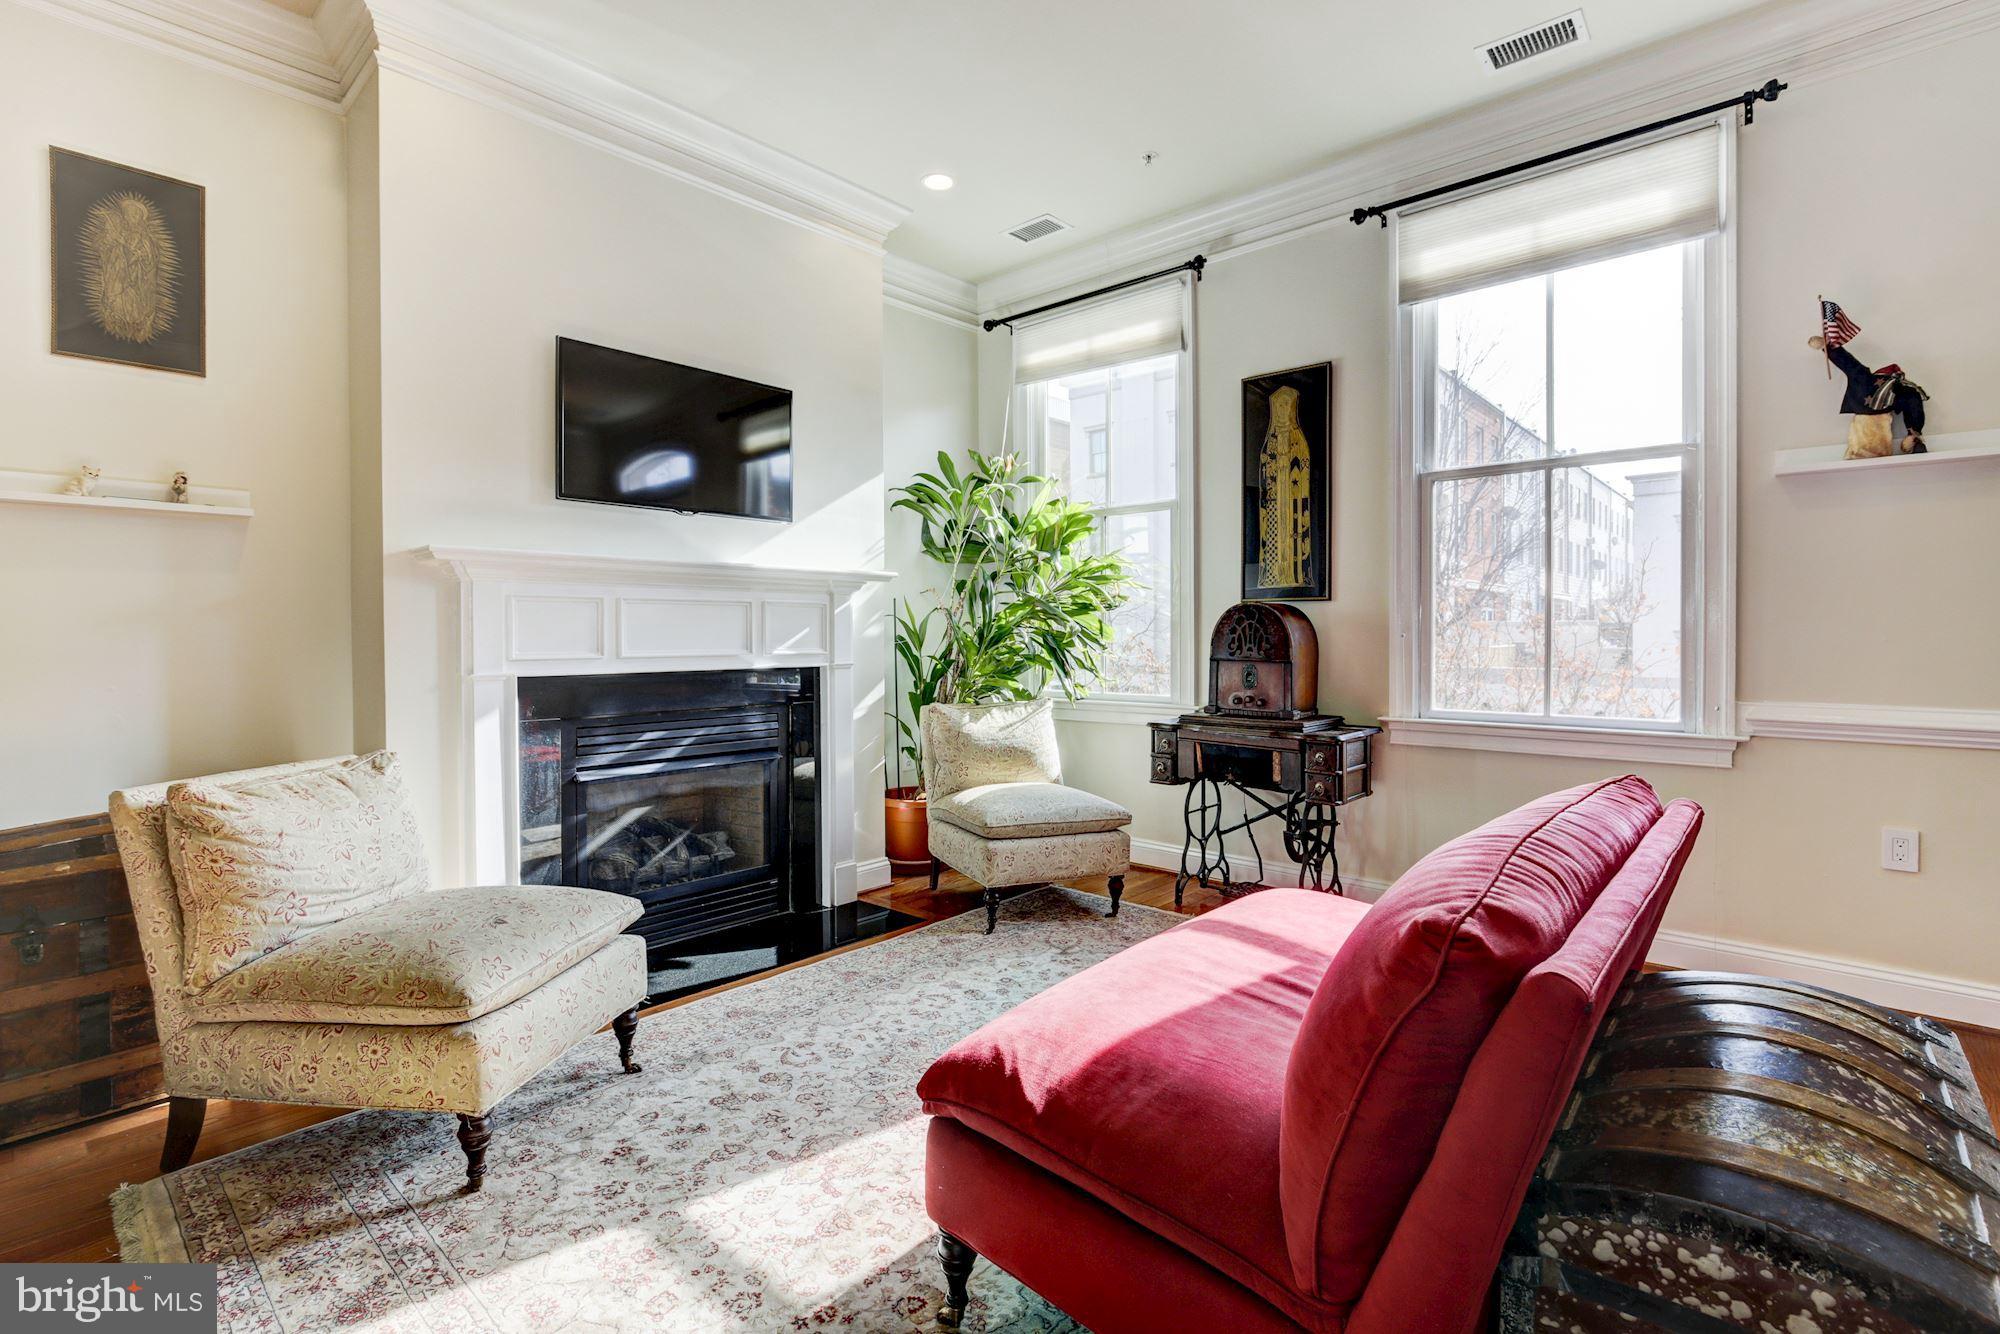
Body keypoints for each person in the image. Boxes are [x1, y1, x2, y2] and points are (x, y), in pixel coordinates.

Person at [1808, 335, 1929, 457]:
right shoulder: (1868, 382)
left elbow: (1850, 364)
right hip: (1872, 443)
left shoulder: (1866, 382)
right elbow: (1849, 363)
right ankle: (1913, 440)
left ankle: (1914, 440)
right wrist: (1914, 432)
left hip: (1876, 445)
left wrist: (1913, 433)